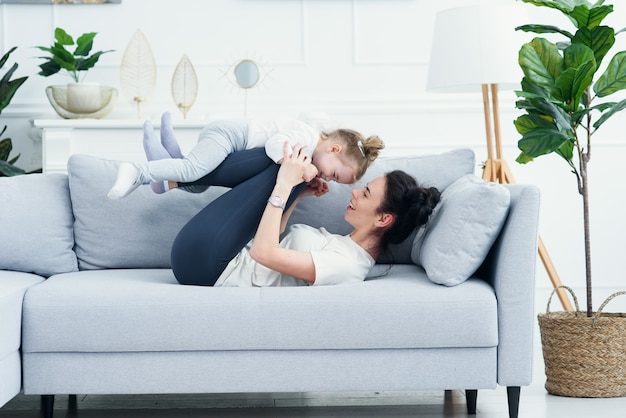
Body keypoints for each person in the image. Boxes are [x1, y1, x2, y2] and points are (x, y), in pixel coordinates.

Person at [170, 141, 441, 287]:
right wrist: (297, 192)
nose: (355, 194)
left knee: (297, 162)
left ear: (383, 219)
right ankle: (180, 173)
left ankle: (180, 174)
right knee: (296, 166)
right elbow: (272, 238)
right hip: (215, 255)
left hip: (208, 268)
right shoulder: (343, 245)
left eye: (366, 194)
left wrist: (286, 184)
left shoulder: (347, 266)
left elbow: (263, 253)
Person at [107, 112, 384, 199]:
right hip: (228, 136)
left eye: (334, 181)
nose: (327, 177)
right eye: (333, 173)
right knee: (193, 170)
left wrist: (308, 181)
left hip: (230, 143)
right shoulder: (307, 136)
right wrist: (294, 165)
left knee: (199, 182)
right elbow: (274, 145)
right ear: (333, 149)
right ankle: (138, 171)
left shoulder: (313, 153)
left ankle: (163, 176)